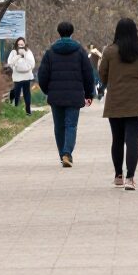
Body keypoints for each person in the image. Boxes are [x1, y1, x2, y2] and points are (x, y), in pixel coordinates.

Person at [100, 17, 138, 190]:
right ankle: (130, 178)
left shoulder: (109, 52)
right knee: (132, 140)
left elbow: (103, 75)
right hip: (136, 100)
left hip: (115, 99)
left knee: (117, 139)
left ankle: (118, 176)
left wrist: (112, 84)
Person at [37, 20, 96, 166]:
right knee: (71, 125)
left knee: (59, 126)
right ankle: (67, 154)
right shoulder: (80, 51)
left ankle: (62, 154)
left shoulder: (50, 52)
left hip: (56, 95)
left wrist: (47, 90)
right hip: (75, 95)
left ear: (58, 32)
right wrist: (89, 94)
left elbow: (42, 75)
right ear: (72, 32)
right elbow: (88, 73)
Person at [5, 36, 37, 115]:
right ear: (16, 44)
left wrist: (24, 55)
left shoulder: (28, 52)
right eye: (19, 44)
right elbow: (10, 62)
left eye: (22, 44)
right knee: (17, 93)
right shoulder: (13, 52)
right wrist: (18, 56)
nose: (20, 46)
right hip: (17, 76)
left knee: (26, 93)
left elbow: (32, 63)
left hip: (26, 76)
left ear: (25, 44)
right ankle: (17, 109)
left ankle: (28, 110)